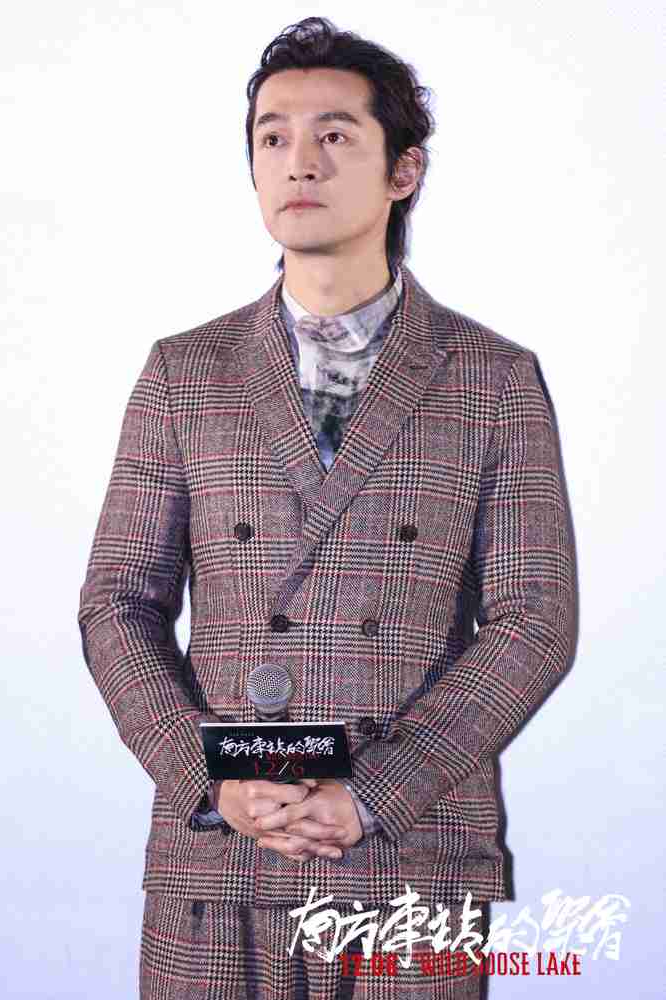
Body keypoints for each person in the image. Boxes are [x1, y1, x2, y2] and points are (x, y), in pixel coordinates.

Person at [78, 15, 576, 999]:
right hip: (222, 851)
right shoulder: (184, 372)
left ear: (403, 170)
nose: (297, 160)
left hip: (410, 848)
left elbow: (534, 619)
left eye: (335, 134)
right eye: (272, 137)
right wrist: (208, 779)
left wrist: (377, 790)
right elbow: (117, 603)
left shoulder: (491, 379)